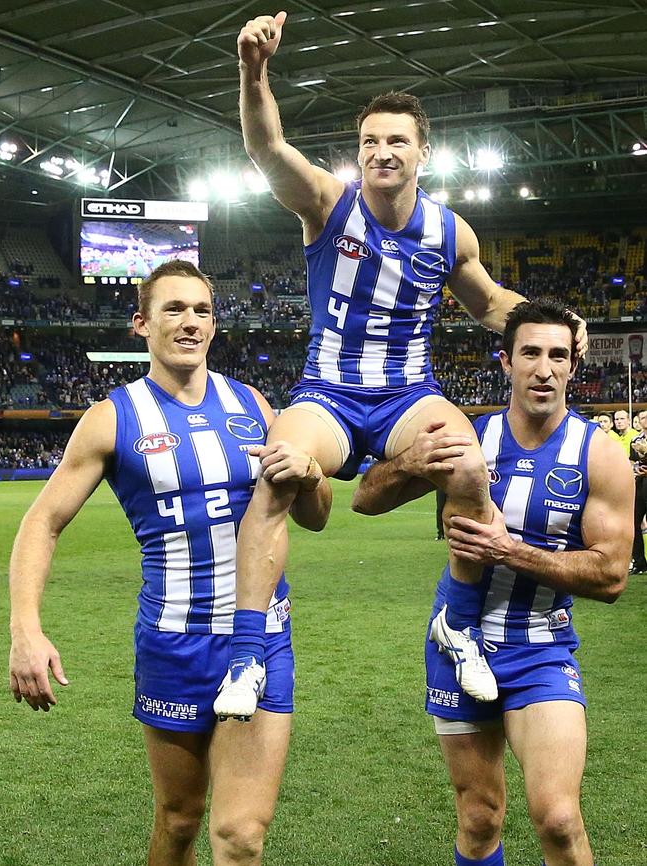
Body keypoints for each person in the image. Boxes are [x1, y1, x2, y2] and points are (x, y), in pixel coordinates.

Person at [214, 11, 588, 719]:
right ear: (358, 154)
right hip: (327, 390)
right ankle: (246, 657)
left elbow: (491, 305)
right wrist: (253, 71)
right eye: (369, 142)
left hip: (406, 395)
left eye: (396, 141)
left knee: (472, 463)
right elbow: (266, 147)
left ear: (423, 152)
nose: (382, 152)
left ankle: (459, 621)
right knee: (272, 473)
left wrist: (561, 321)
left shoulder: (450, 232)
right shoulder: (329, 203)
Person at [9, 260, 332, 866]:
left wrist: (311, 474)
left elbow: (316, 515)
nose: (190, 322)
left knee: (240, 836)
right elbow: (42, 522)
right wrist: (25, 629)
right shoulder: (112, 417)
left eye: (202, 310)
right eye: (174, 310)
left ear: (214, 326)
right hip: (173, 643)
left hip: (258, 640)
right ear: (141, 324)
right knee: (180, 819)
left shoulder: (254, 404)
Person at [352, 300, 632, 866]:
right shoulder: (470, 440)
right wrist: (410, 462)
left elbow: (610, 574)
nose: (544, 369)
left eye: (558, 355)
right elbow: (364, 498)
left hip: (541, 647)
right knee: (480, 818)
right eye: (530, 353)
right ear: (506, 362)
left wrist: (510, 551)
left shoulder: (598, 455)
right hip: (458, 641)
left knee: (558, 818)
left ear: (574, 366)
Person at [629, 408, 647, 574]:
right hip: (640, 482)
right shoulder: (636, 439)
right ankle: (639, 563)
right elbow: (632, 461)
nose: (645, 419)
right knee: (633, 522)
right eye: (643, 417)